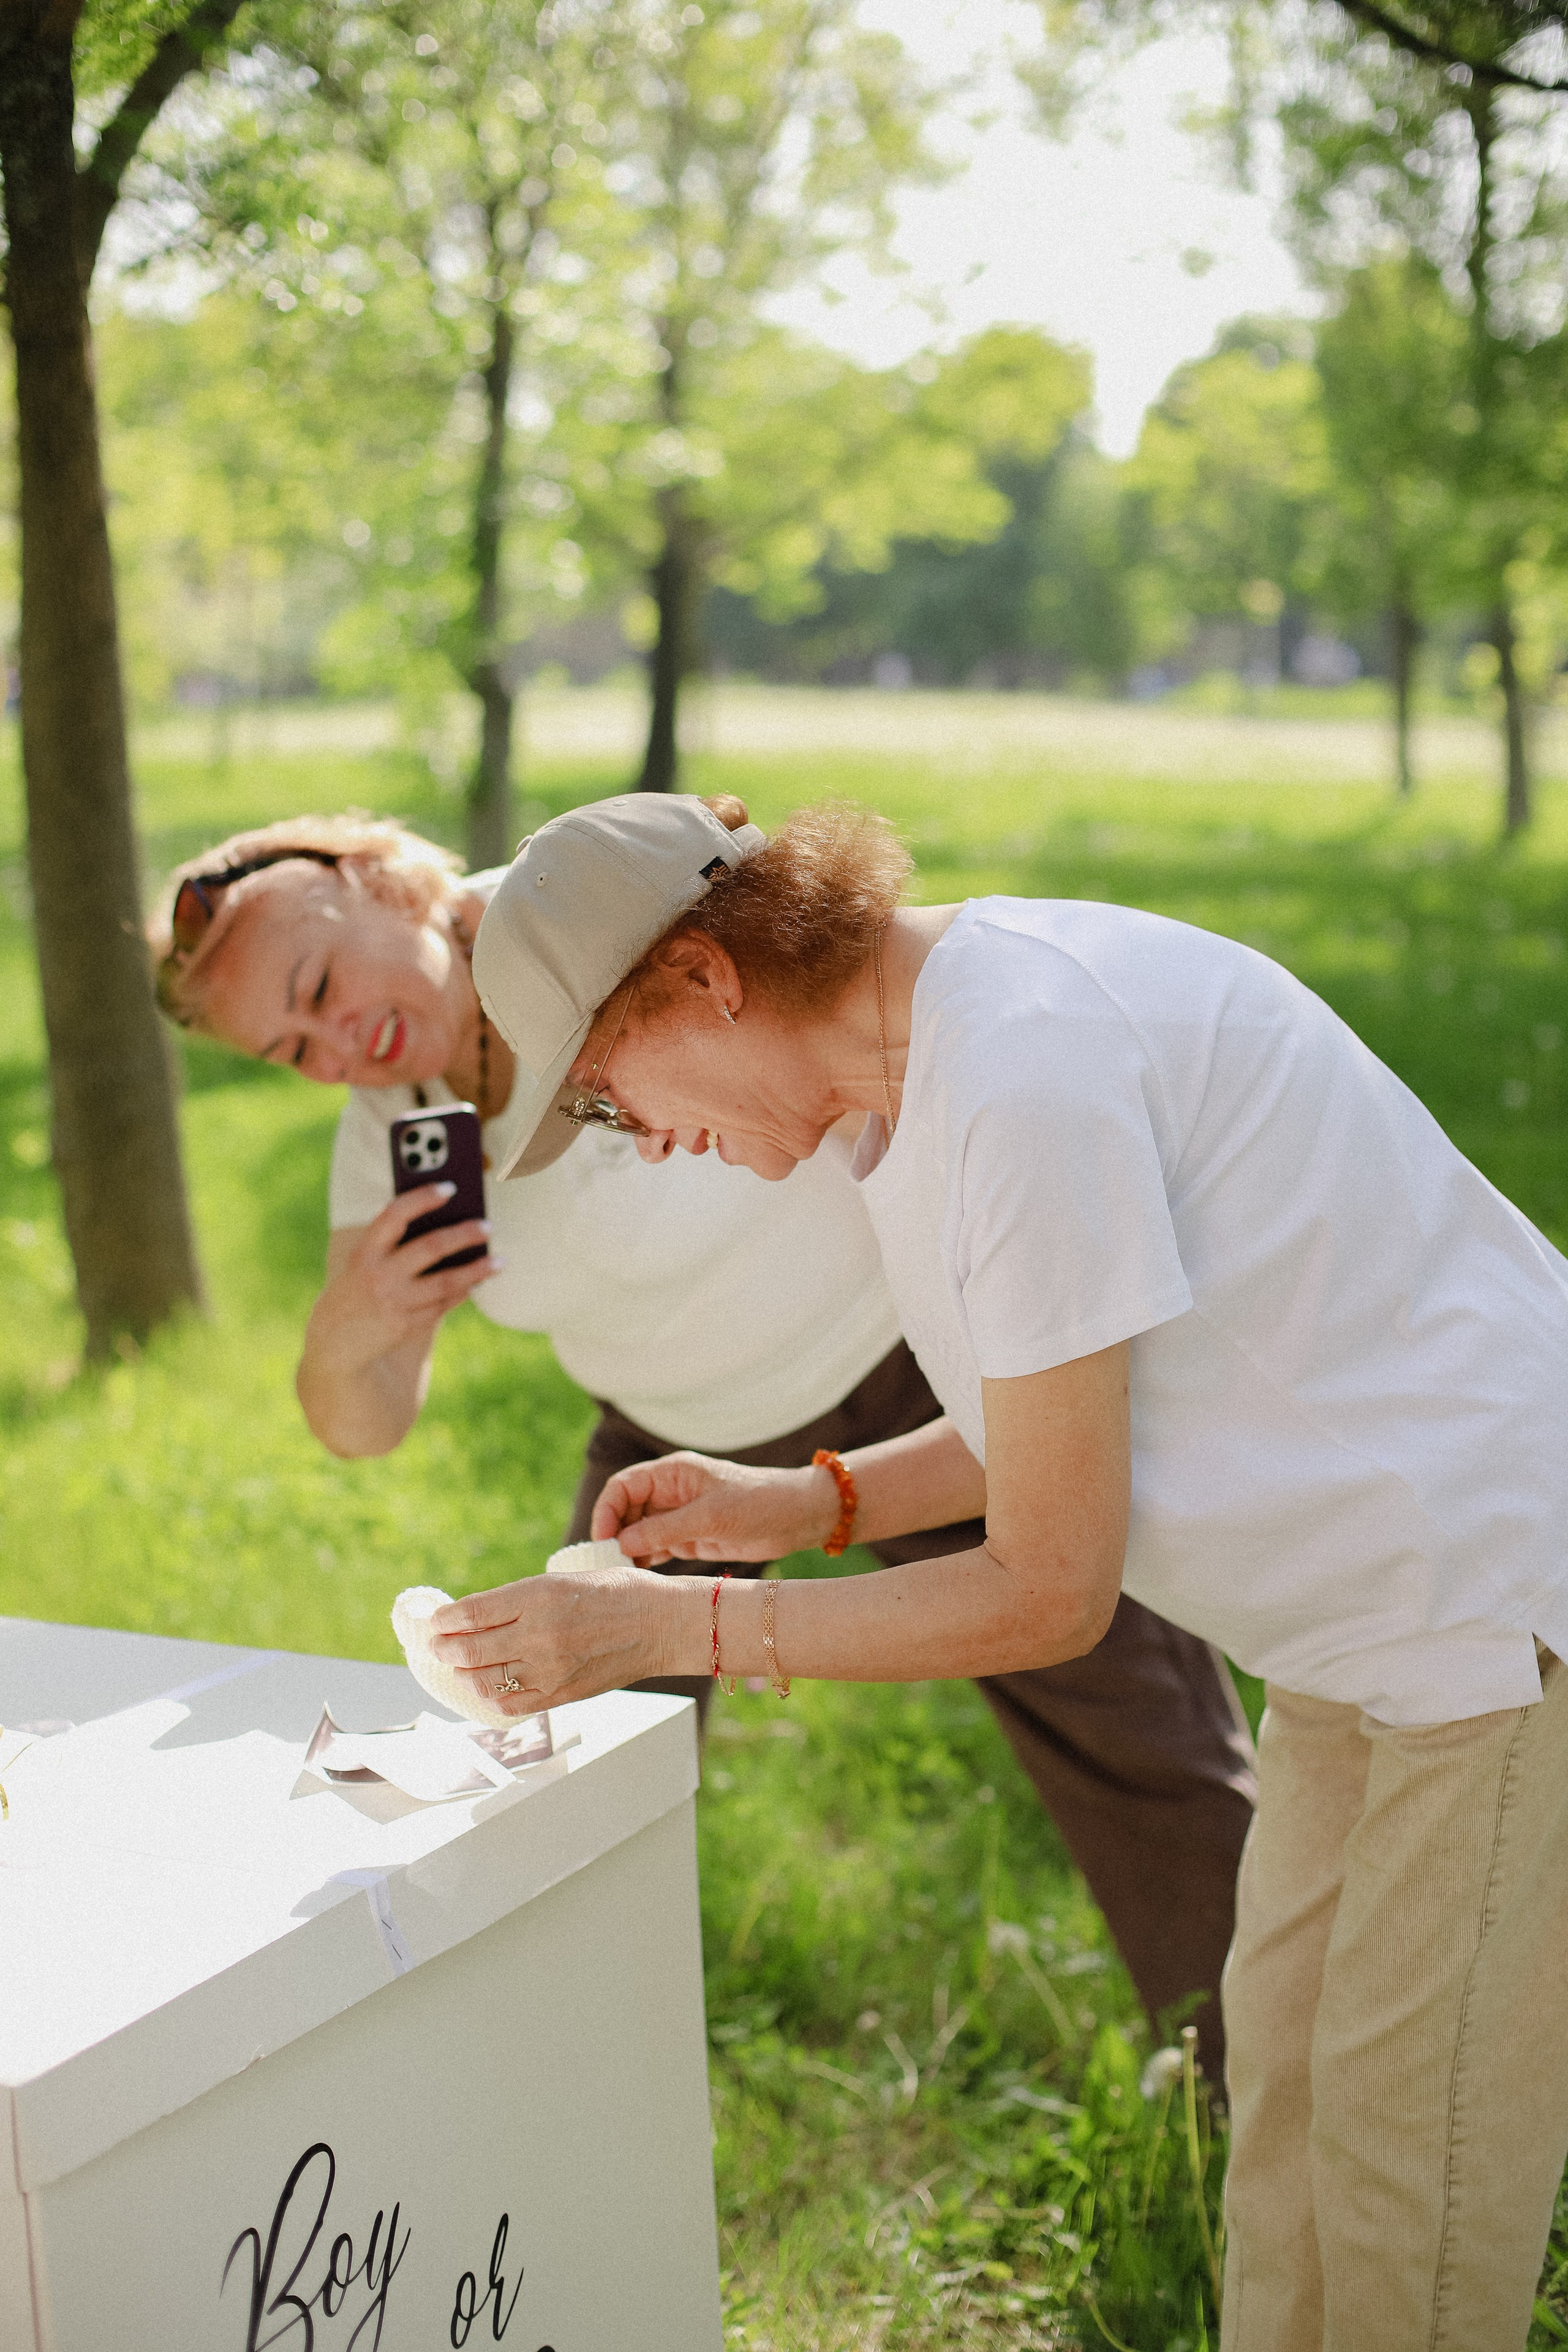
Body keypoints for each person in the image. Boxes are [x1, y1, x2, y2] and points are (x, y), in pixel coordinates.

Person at [435, 790, 1568, 2352]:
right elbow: (1055, 1399)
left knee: (1403, 2179)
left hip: (1491, 1614)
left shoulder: (1023, 1072)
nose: (657, 1140)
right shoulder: (920, 1067)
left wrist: (677, 1629)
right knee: (1289, 2129)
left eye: (618, 1099)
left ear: (701, 976)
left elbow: (1047, 1589)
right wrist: (797, 1504)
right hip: (1356, 1630)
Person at [149, 811, 1256, 2081]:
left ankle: (1257, 2073)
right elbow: (363, 1425)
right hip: (667, 1441)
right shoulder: (397, 1129)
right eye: (293, 1048)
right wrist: (350, 1330)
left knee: (1134, 1724)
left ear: (378, 884)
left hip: (909, 1372)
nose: (338, 1044)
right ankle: (572, 2084)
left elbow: (848, 1008)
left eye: (321, 986)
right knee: (569, 1770)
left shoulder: (595, 913)